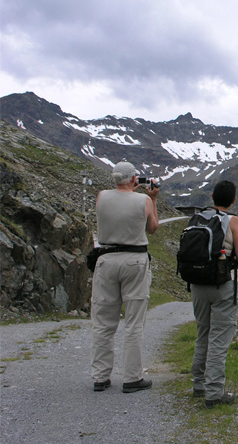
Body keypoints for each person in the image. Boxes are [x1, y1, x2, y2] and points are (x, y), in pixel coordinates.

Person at [91, 162, 159, 393]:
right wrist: (153, 199)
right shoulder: (144, 201)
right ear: (133, 180)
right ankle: (131, 377)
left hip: (106, 259)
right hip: (134, 259)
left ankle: (100, 376)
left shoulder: (102, 196)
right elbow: (152, 228)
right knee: (133, 321)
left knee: (103, 321)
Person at [191, 180, 238, 408]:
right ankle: (214, 392)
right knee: (219, 338)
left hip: (198, 283)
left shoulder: (197, 218)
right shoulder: (234, 221)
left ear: (212, 196)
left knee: (202, 332)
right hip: (225, 284)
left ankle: (198, 384)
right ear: (233, 199)